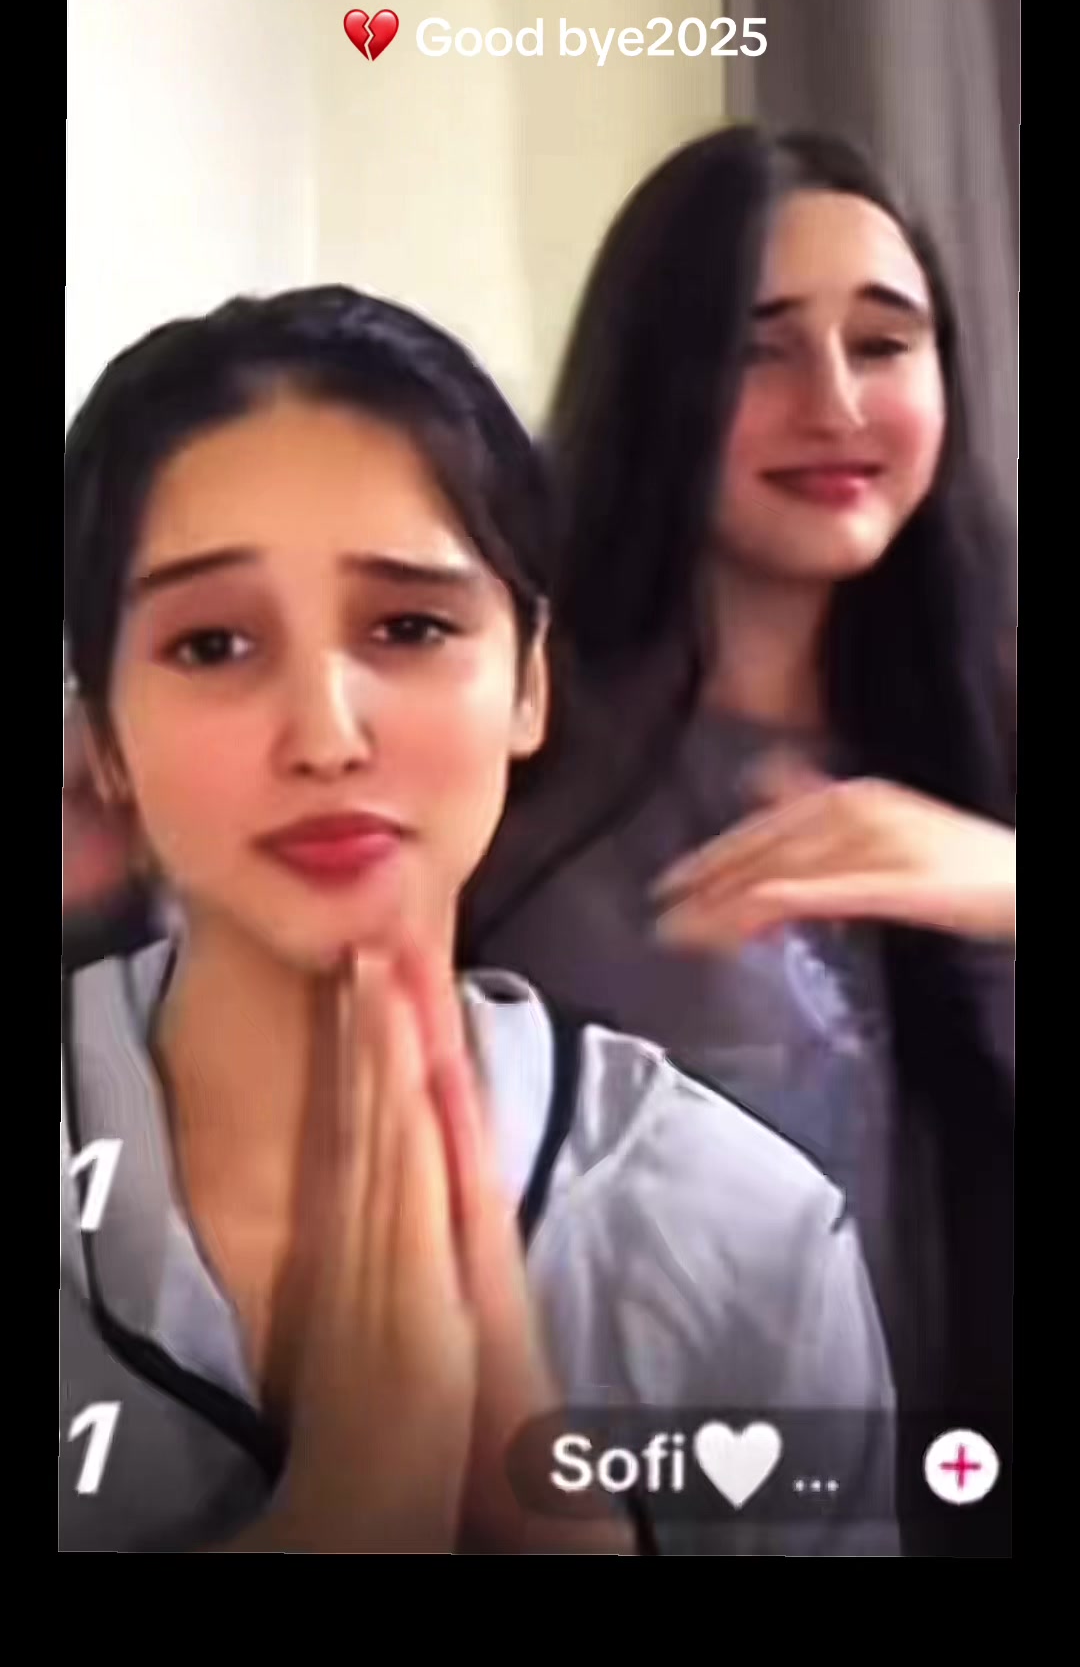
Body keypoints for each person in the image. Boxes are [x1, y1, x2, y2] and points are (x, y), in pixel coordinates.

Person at [60, 286, 896, 1556]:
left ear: (528, 682)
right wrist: (348, 1512)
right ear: (106, 738)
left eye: (410, 626)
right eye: (213, 644)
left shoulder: (747, 1231)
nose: (327, 736)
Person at [460, 129, 1015, 1557]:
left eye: (884, 343)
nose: (837, 403)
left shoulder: (992, 714)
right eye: (758, 350)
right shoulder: (506, 761)